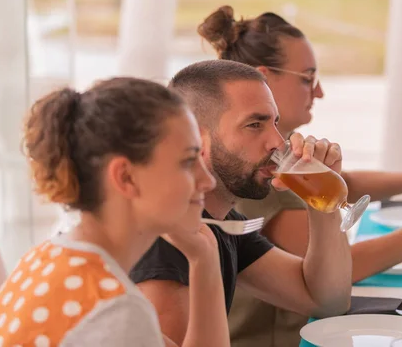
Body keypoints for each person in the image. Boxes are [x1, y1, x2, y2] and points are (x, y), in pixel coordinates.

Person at [197, 5, 402, 347]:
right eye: (308, 77)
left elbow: (343, 193)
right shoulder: (250, 180)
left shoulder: (234, 218)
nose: (320, 91)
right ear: (265, 77)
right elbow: (343, 269)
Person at [0, 78, 229, 347]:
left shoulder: (43, 259)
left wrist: (204, 260)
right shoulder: (115, 312)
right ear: (126, 177)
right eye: (188, 161)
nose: (208, 181)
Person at [129, 60, 353, 346]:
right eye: (254, 125)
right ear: (193, 136)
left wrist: (322, 200)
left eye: (274, 123)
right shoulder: (166, 246)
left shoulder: (220, 221)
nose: (277, 141)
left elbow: (326, 300)